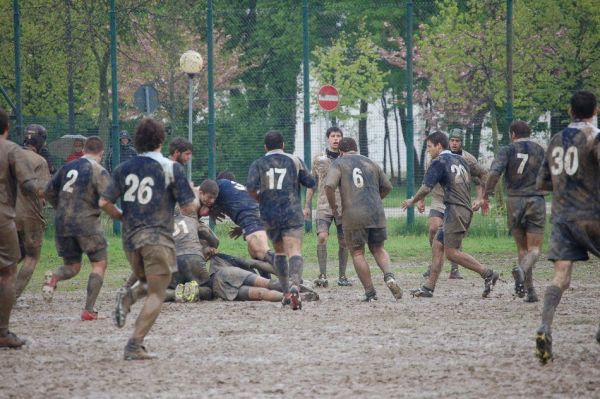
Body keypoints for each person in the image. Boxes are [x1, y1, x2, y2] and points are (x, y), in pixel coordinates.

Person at [100, 118, 197, 360]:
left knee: (148, 283)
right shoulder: (170, 168)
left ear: (137, 141)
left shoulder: (124, 167)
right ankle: (134, 344)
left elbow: (104, 202)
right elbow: (188, 208)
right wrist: (194, 197)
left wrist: (122, 217)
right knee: (158, 292)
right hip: (157, 238)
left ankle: (129, 295)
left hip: (130, 239)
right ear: (161, 140)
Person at [534, 90, 600, 364]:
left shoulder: (555, 139)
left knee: (561, 276)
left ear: (570, 110)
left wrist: (565, 185)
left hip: (562, 216)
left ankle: (544, 326)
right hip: (592, 214)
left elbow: (542, 183)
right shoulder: (594, 136)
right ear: (595, 109)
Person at [401, 131, 499, 298]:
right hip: (459, 209)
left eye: (430, 147)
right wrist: (483, 197)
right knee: (437, 246)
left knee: (451, 252)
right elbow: (485, 174)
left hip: (456, 210)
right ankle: (428, 288)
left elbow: (426, 188)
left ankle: (488, 273)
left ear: (439, 146)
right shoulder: (462, 159)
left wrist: (412, 201)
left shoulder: (438, 161)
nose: (428, 151)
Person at [324, 137, 401, 302]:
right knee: (378, 248)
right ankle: (389, 276)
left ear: (341, 151)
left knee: (357, 252)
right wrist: (376, 199)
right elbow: (387, 186)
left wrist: (334, 208)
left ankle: (370, 293)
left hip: (354, 214)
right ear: (355, 149)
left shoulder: (339, 163)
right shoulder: (370, 162)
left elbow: (329, 185)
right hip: (376, 212)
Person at [43, 136, 111, 321]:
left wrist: (61, 207)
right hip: (86, 222)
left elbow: (48, 192)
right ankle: (88, 310)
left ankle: (54, 276)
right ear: (101, 153)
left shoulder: (66, 167)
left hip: (62, 221)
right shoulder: (98, 169)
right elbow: (108, 198)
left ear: (85, 149)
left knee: (72, 266)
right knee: (99, 263)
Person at [246, 130, 316, 310]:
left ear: (265, 147)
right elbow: (310, 182)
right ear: (283, 145)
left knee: (279, 253)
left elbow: (251, 188)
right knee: (294, 251)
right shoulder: (294, 160)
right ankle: (295, 285)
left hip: (270, 214)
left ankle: (285, 293)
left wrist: (262, 199)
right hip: (291, 211)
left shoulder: (258, 163)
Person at [486, 121, 546, 302]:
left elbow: (494, 173)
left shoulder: (507, 149)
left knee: (522, 248)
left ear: (513, 134)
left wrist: (486, 194)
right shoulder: (541, 150)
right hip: (536, 199)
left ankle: (530, 291)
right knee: (534, 249)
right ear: (530, 132)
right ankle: (521, 271)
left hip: (514, 200)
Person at [419, 129, 484, 280]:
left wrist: (480, 199)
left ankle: (455, 268)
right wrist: (420, 200)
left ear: (462, 142)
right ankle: (435, 264)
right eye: (452, 140)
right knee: (434, 229)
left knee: (452, 237)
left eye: (457, 141)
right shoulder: (436, 158)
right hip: (439, 199)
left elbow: (480, 180)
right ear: (448, 142)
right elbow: (426, 182)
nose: (454, 143)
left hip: (456, 202)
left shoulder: (468, 159)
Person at [0, 108, 40, 348]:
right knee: (7, 272)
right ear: (6, 128)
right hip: (2, 217)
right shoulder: (10, 149)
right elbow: (28, 185)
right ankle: (2, 332)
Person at [303, 127, 350, 287]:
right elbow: (312, 184)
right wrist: (307, 205)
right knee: (322, 236)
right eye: (333, 136)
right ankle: (322, 275)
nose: (336, 139)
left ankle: (342, 276)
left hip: (343, 207)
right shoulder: (319, 159)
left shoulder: (347, 159)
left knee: (344, 242)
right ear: (327, 138)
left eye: (338, 136)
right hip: (323, 206)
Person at [210, 171, 276, 278]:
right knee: (255, 253)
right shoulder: (236, 191)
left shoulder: (221, 184)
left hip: (251, 215)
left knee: (261, 251)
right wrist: (242, 228)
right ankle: (268, 281)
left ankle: (291, 275)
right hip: (258, 212)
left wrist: (209, 210)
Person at [15, 131, 51, 299]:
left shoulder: (10, 154)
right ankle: (11, 297)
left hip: (7, 214)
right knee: (31, 256)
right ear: (41, 142)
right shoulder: (39, 161)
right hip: (30, 215)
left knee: (11, 256)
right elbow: (43, 191)